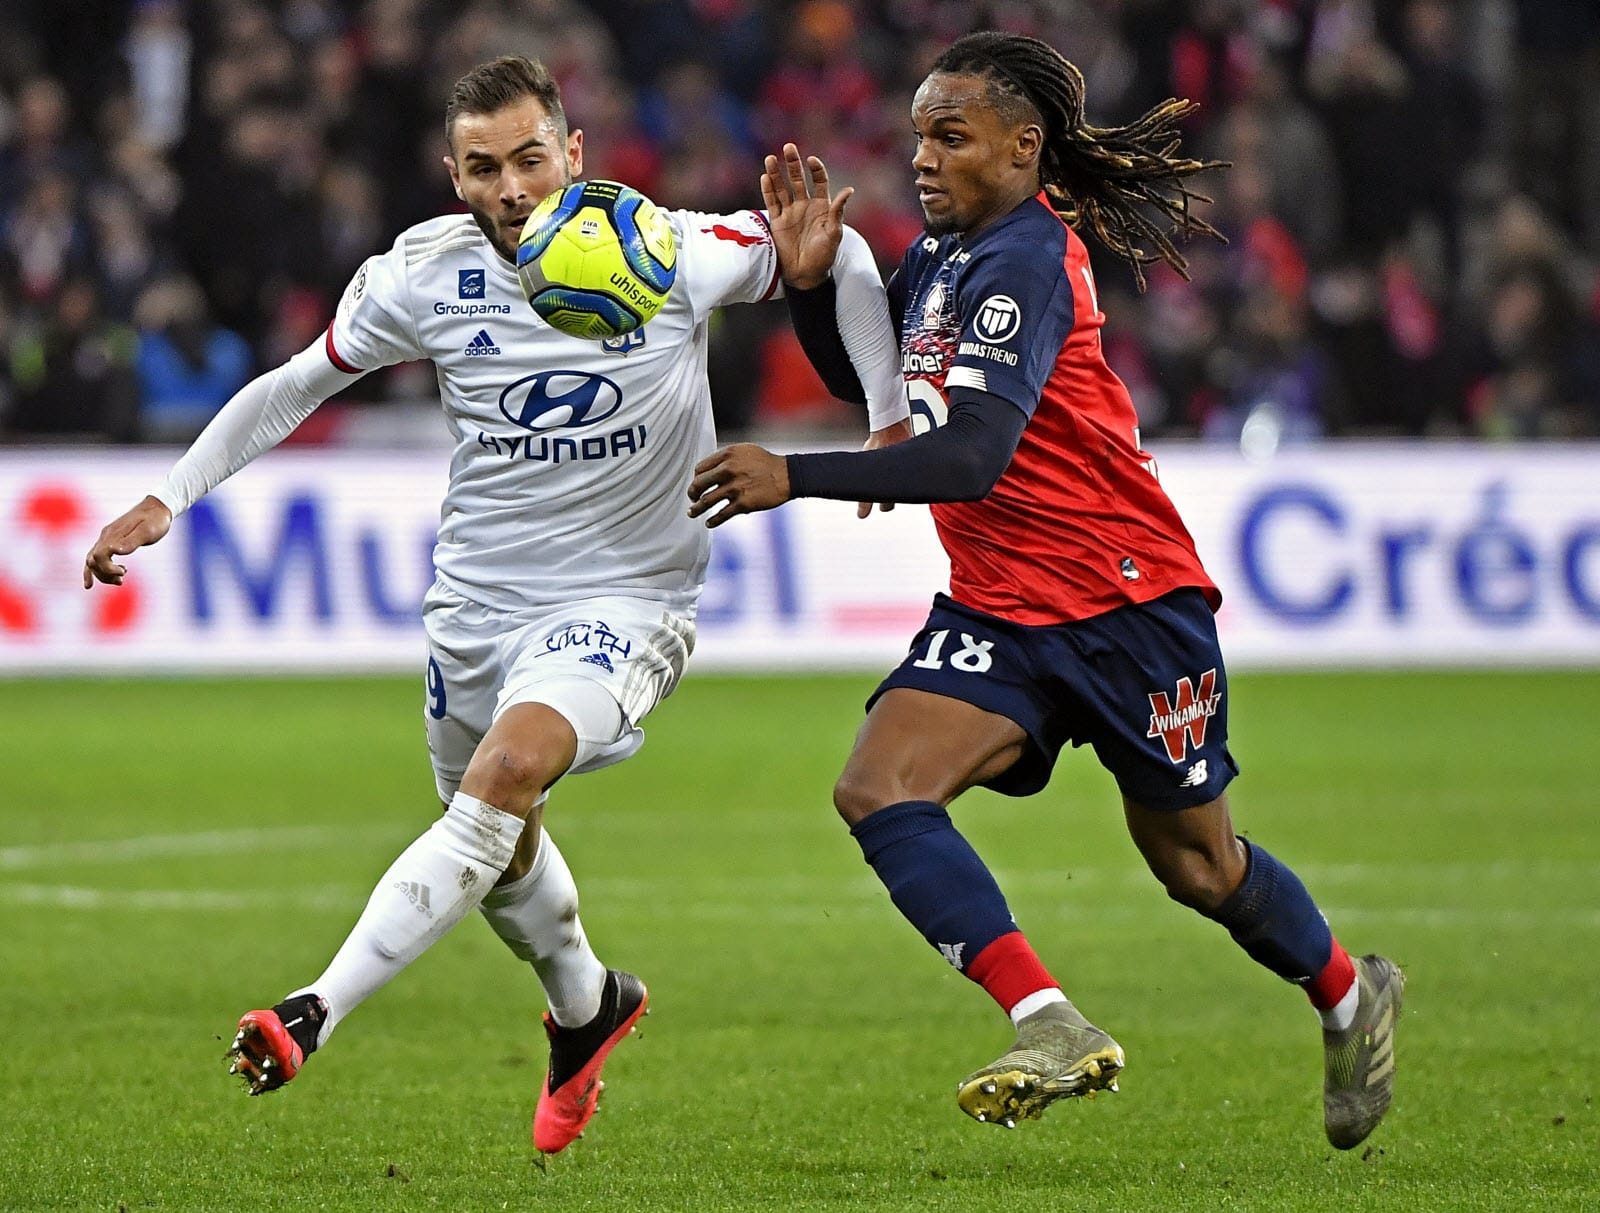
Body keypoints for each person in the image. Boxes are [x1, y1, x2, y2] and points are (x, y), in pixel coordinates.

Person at [83, 55, 903, 1153]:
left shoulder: (661, 249)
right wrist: (165, 495)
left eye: (529, 158)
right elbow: (294, 384)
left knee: (505, 778)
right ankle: (587, 1003)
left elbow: (839, 251)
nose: (511, 187)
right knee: (496, 836)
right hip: (474, 603)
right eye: (484, 167)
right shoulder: (420, 275)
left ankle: (313, 1009)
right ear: (453, 175)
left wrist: (888, 422)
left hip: (629, 594)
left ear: (572, 152)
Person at [688, 31, 1403, 1150]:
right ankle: (1045, 1016)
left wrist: (796, 476)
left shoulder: (1026, 258)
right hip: (1002, 610)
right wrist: (816, 282)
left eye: (950, 136)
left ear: (1024, 149)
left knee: (1199, 867)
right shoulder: (939, 257)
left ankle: (1351, 994)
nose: (921, 156)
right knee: (878, 786)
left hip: (1128, 607)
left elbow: (969, 455)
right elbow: (869, 382)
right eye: (917, 133)